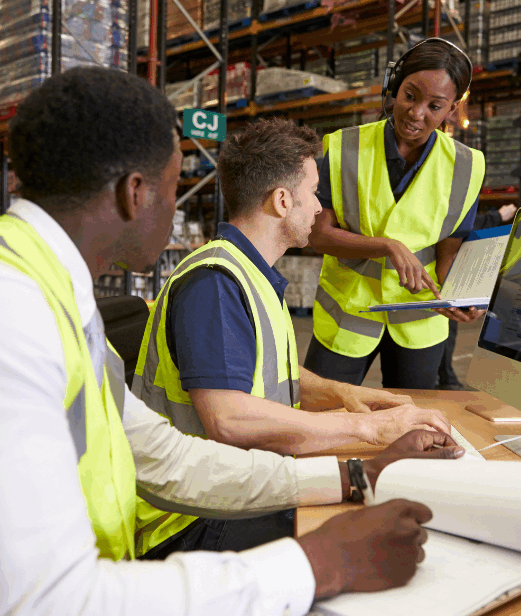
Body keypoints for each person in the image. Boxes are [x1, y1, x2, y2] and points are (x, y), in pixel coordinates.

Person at [0, 67, 464, 616]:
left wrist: (352, 478)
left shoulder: (51, 296)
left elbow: (167, 458)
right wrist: (316, 565)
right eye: (174, 180)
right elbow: (43, 605)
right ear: (135, 193)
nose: (185, 197)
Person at [132, 117, 453, 559]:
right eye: (314, 192)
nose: (320, 207)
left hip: (236, 491)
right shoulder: (214, 283)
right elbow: (229, 419)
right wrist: (370, 428)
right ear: (282, 201)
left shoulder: (248, 273)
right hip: (191, 521)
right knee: (394, 529)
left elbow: (271, 372)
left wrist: (346, 394)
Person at [305, 38, 487, 390]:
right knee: (319, 410)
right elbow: (318, 236)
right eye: (409, 96)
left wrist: (461, 297)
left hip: (419, 321)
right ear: (394, 88)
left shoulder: (467, 166)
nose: (417, 113)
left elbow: (448, 256)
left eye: (434, 105)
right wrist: (385, 246)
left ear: (451, 109)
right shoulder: (344, 146)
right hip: (347, 313)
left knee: (412, 424)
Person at [436, 202, 516, 390]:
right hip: (438, 278)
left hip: (445, 275)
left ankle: (446, 377)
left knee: (448, 328)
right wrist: (495, 216)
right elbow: (460, 223)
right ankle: (447, 378)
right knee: (447, 328)